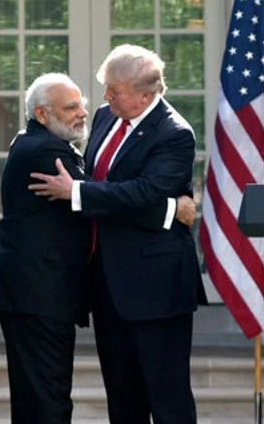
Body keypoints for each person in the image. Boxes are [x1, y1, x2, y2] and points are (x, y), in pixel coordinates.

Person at [0, 72, 196, 424]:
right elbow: (99, 197)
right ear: (42, 115)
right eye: (70, 107)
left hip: (42, 292)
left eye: (81, 103)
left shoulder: (42, 141)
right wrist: (172, 209)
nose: (84, 112)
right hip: (37, 293)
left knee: (41, 397)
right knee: (46, 400)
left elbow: (96, 194)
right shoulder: (45, 150)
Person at [30, 45, 208, 424]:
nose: (106, 96)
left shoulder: (174, 133)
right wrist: (170, 211)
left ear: (146, 95)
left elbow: (144, 192)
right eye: (106, 87)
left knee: (167, 398)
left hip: (156, 287)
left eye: (115, 90)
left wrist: (77, 192)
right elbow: (104, 180)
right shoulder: (106, 116)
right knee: (122, 399)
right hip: (108, 282)